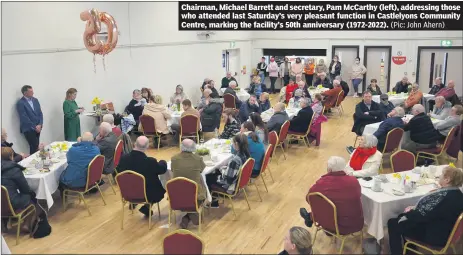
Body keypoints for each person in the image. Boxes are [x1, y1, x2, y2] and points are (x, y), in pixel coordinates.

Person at [387, 166, 463, 255]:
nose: (439, 176)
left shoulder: (441, 197)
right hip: (448, 233)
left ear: (447, 180)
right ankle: (410, 250)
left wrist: (408, 214)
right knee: (404, 219)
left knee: (393, 223)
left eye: (441, 175)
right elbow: (433, 212)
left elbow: (421, 216)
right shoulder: (459, 195)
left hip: (435, 236)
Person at [300, 156, 364, 235]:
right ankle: (310, 217)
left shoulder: (322, 183)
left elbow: (309, 198)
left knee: (322, 203)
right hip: (356, 223)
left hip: (334, 225)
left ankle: (310, 217)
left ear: (329, 169)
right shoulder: (354, 181)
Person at [117, 136, 168, 216]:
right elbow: (162, 170)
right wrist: (163, 161)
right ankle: (147, 206)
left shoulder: (123, 159)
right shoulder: (150, 162)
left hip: (127, 192)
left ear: (134, 144)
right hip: (146, 194)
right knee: (161, 187)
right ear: (147, 146)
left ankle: (134, 201)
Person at [206, 134, 249, 207]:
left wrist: (222, 170)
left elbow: (228, 179)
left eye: (233, 143)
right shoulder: (245, 154)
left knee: (208, 177)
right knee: (216, 171)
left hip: (229, 185)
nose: (232, 145)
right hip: (236, 180)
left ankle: (214, 202)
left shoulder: (235, 160)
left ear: (236, 144)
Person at [171, 139, 206, 229]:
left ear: (181, 147)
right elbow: (202, 169)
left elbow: (172, 170)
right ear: (194, 148)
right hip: (195, 195)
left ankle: (187, 217)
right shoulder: (198, 159)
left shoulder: (174, 159)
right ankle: (190, 214)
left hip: (176, 195)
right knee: (203, 185)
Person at [1, 147, 35, 211]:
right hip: (13, 204)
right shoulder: (14, 170)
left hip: (2, 205)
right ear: (11, 156)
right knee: (32, 194)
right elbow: (26, 189)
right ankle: (39, 216)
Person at [17, 85, 43, 154]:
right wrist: (35, 127)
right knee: (34, 146)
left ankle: (38, 162)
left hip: (38, 127)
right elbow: (24, 117)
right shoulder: (20, 103)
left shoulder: (35, 100)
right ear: (25, 93)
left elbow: (40, 113)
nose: (33, 93)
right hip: (28, 128)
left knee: (37, 146)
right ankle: (33, 163)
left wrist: (40, 124)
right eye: (31, 91)